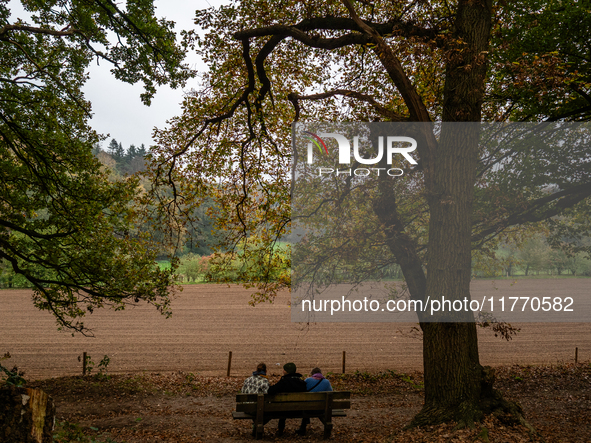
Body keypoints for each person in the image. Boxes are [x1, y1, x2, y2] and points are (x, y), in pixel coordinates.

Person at [267, 362, 306, 436]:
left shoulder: (284, 382)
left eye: (284, 370)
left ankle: (280, 430)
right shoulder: (302, 383)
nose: (283, 371)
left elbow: (271, 391)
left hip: (283, 410)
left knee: (283, 406)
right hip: (299, 410)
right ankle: (303, 429)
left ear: (287, 371)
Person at [296, 367, 333, 436]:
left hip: (308, 408)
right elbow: (331, 393)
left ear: (312, 374)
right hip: (322, 408)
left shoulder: (308, 380)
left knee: (308, 405)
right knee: (311, 405)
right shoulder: (326, 382)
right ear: (321, 373)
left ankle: (302, 429)